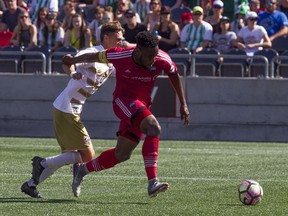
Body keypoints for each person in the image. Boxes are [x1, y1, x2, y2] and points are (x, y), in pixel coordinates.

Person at [62, 31, 190, 198]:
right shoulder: (119, 55)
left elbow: (174, 75)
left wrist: (183, 104)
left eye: (155, 55)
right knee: (153, 128)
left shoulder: (161, 58)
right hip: (123, 101)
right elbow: (94, 56)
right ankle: (152, 182)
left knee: (121, 154)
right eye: (149, 56)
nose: (153, 60)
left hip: (141, 105)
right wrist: (72, 61)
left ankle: (82, 169)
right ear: (138, 51)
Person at [20, 21, 124, 198]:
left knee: (69, 156)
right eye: (118, 38)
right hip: (67, 109)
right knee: (88, 154)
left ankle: (31, 185)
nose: (121, 42)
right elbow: (68, 60)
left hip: (67, 108)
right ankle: (42, 163)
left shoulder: (109, 61)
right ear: (106, 38)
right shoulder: (92, 52)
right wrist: (72, 72)